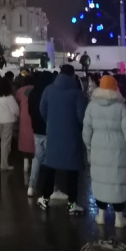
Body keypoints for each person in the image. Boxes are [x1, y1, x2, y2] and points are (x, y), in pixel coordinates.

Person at [83, 75, 126, 228]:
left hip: (98, 147)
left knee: (101, 181)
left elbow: (86, 130)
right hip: (118, 149)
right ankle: (119, 218)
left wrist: (88, 146)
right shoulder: (121, 107)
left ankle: (100, 215)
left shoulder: (91, 106)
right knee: (117, 182)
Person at [37, 64, 87, 215]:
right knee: (72, 170)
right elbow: (81, 117)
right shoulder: (77, 94)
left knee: (50, 167)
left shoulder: (49, 90)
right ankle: (72, 205)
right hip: (72, 135)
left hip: (53, 134)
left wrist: (51, 123)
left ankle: (45, 199)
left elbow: (42, 110)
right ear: (72, 76)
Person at [0, 77, 19, 171]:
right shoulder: (9, 97)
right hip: (8, 121)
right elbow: (16, 110)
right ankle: (4, 164)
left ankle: (4, 160)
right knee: (6, 143)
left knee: (4, 141)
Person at [15, 75, 35, 173]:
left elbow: (17, 102)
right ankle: (35, 164)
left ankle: (25, 164)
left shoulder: (20, 91)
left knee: (24, 138)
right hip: (34, 115)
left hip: (23, 115)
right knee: (34, 138)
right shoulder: (36, 89)